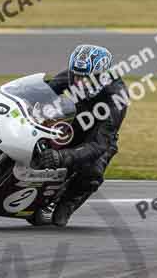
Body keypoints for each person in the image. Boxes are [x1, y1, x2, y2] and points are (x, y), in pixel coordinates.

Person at [37, 44, 128, 227]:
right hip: (75, 123)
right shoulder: (74, 75)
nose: (79, 82)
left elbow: (99, 144)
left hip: (99, 137)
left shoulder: (117, 98)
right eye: (76, 75)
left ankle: (66, 203)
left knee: (92, 171)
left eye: (85, 78)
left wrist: (62, 156)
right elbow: (45, 90)